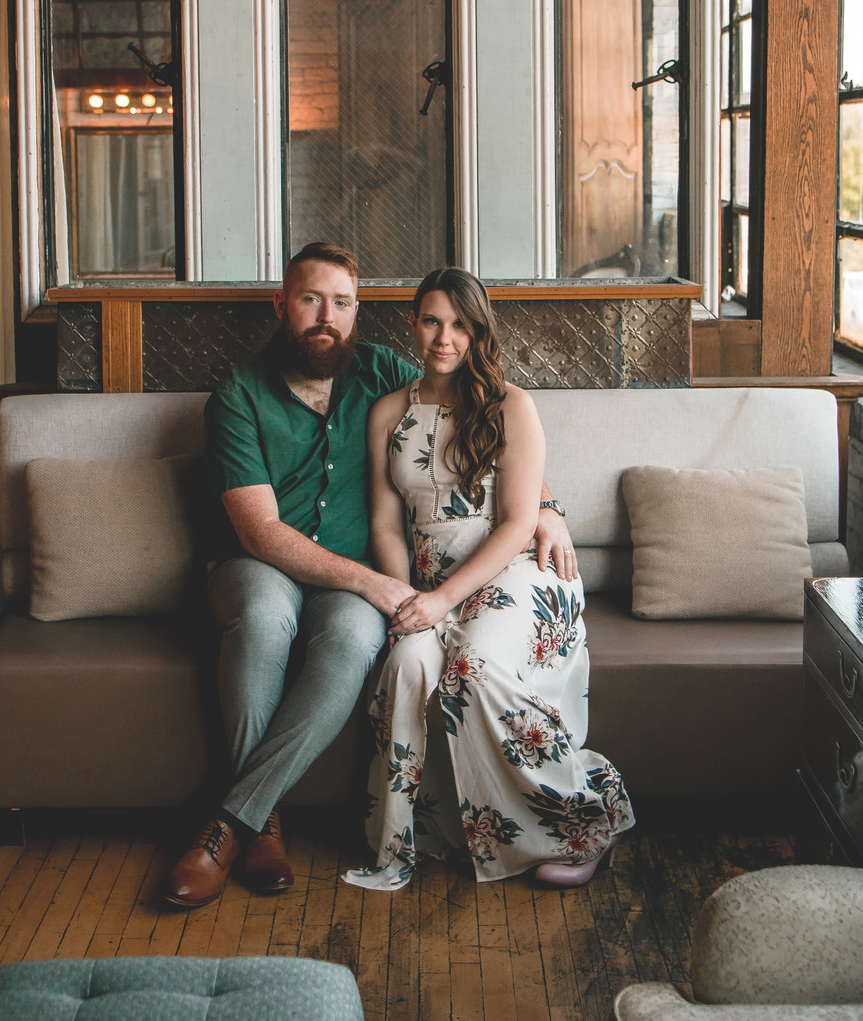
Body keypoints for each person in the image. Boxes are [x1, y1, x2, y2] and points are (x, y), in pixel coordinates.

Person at [163, 243, 573, 909]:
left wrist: (546, 506)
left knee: (356, 643)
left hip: (350, 581)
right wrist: (379, 584)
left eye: (343, 303)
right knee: (266, 620)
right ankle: (260, 824)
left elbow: (475, 420)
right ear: (281, 304)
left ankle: (230, 821)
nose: (327, 316)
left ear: (358, 312)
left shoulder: (383, 375)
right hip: (259, 565)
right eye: (310, 299)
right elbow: (260, 532)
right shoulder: (237, 395)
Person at [342, 267, 633, 893]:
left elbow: (517, 522)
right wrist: (408, 603)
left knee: (469, 662)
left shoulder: (510, 405)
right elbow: (386, 524)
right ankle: (410, 839)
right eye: (431, 321)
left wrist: (447, 598)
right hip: (426, 583)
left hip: (520, 572)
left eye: (460, 325)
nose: (444, 338)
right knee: (413, 661)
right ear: (411, 324)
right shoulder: (387, 413)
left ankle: (583, 825)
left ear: (479, 332)